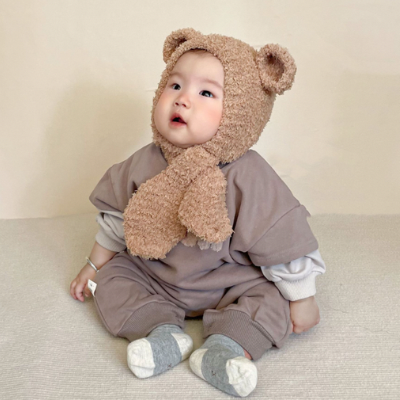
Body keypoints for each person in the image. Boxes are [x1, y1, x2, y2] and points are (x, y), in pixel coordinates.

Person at [70, 28, 326, 398]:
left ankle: (225, 348)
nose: (182, 100)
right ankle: (161, 333)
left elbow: (280, 241)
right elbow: (116, 222)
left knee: (271, 299)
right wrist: (93, 267)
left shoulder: (248, 175)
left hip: (230, 281)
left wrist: (302, 298)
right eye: (174, 85)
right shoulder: (144, 163)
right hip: (154, 273)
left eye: (206, 93)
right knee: (112, 280)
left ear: (241, 111)